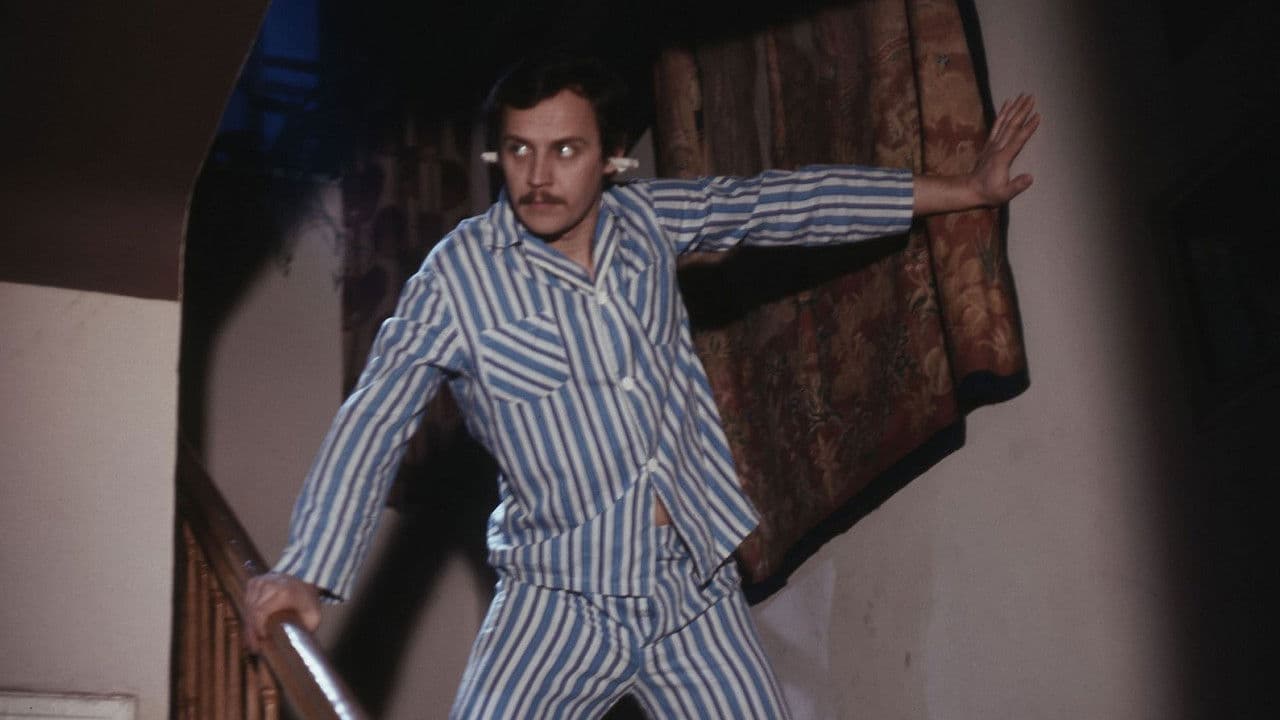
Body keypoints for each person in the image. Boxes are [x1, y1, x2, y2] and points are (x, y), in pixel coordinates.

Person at [245, 53, 1039, 718]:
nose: (537, 176)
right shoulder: (458, 278)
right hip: (557, 600)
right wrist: (306, 570)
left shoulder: (648, 223)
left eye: (565, 150)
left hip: (691, 589)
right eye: (518, 151)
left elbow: (783, 204)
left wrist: (967, 191)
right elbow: (376, 416)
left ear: (612, 157)